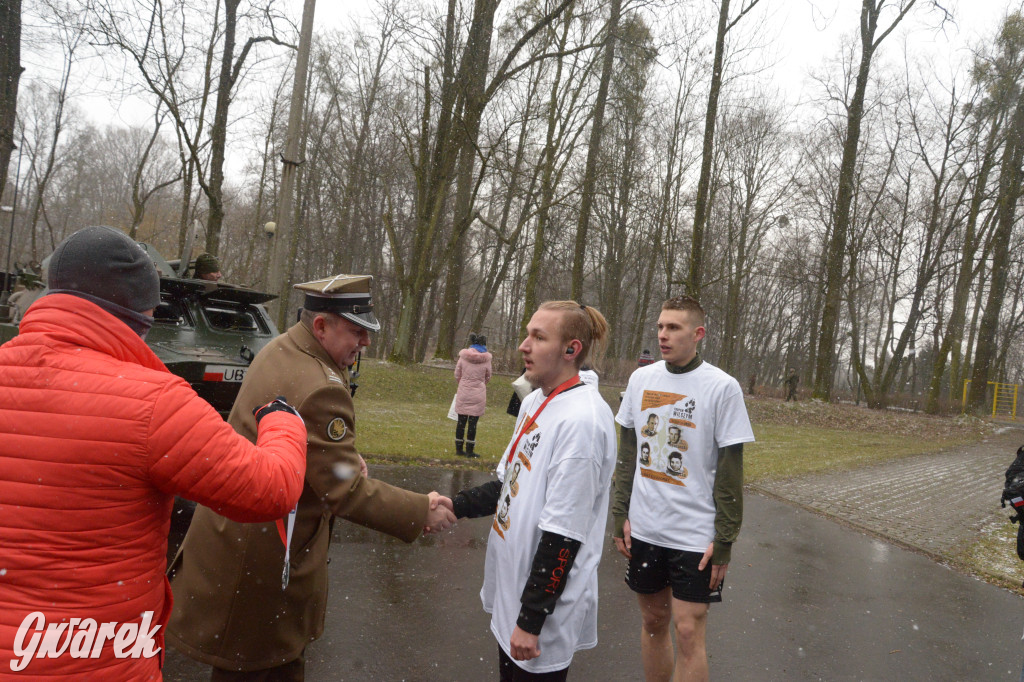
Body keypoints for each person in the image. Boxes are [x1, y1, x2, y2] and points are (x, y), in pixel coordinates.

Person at [0, 225, 308, 680]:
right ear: (141, 312)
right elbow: (269, 489)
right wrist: (283, 419)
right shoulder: (153, 402)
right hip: (94, 659)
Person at [166, 273, 456, 681]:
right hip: (265, 562)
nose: (365, 343)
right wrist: (420, 509)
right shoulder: (320, 386)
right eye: (357, 331)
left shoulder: (283, 348)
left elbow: (308, 446)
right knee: (262, 668)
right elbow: (344, 489)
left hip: (237, 542)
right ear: (321, 326)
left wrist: (344, 457)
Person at [447, 301, 616, 681]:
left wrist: (531, 617)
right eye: (528, 333)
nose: (524, 345)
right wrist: (456, 505)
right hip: (513, 589)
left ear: (571, 350)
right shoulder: (537, 400)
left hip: (543, 609)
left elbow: (565, 533)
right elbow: (512, 483)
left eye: (539, 337)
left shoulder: (583, 422)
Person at [612, 295, 754, 682]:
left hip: (694, 534)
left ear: (698, 334)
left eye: (673, 327)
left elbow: (730, 473)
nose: (663, 335)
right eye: (660, 326)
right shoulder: (641, 378)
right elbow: (627, 454)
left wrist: (725, 538)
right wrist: (618, 514)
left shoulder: (722, 387)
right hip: (644, 527)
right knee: (654, 621)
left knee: (688, 632)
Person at [455, 332, 493, 457]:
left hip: (463, 391)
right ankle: (470, 451)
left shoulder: (463, 357)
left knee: (461, 422)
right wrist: (480, 384)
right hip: (478, 393)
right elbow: (488, 377)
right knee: (473, 423)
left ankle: (459, 449)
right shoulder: (486, 360)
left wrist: (463, 383)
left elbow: (457, 374)